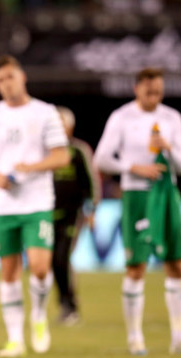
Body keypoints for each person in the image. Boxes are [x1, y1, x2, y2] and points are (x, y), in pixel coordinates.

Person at [94, 67, 181, 356]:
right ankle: (135, 338)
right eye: (148, 91)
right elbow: (102, 158)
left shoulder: (172, 118)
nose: (154, 96)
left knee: (176, 263)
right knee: (136, 266)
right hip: (136, 196)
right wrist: (134, 167)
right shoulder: (122, 117)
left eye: (158, 91)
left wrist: (168, 148)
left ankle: (179, 337)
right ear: (136, 89)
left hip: (167, 195)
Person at [0, 55, 70, 357]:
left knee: (40, 268)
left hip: (37, 202)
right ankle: (15, 338)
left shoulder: (45, 112)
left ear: (22, 76)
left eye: (10, 77)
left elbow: (62, 156)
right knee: (9, 270)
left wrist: (31, 166)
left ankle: (39, 316)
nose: (6, 84)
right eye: (0, 80)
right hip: (4, 204)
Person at [52, 106, 101, 326]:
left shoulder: (79, 150)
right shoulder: (46, 151)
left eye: (61, 123)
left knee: (62, 258)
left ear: (70, 126)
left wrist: (92, 210)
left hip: (73, 214)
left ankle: (70, 306)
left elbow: (92, 182)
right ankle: (64, 304)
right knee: (52, 261)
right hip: (46, 214)